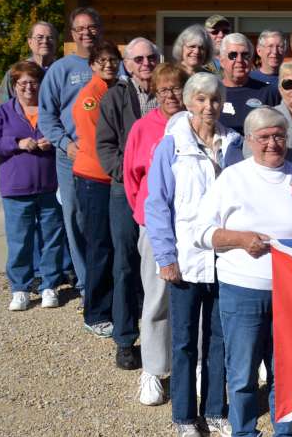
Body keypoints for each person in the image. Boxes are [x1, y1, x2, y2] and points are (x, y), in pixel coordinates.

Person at [194, 106, 292, 437]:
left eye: (279, 136)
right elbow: (200, 233)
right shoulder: (232, 178)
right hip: (242, 289)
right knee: (243, 372)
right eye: (264, 137)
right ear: (248, 140)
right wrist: (240, 239)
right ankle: (244, 431)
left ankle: (283, 431)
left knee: (284, 370)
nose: (272, 143)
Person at [146, 72, 237, 437]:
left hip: (225, 258)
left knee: (220, 338)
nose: (208, 106)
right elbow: (156, 204)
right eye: (200, 99)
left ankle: (215, 410)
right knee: (184, 341)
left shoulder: (233, 143)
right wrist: (166, 256)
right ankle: (185, 417)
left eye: (214, 99)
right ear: (187, 103)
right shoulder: (171, 145)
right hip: (184, 258)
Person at [123, 63, 190, 406]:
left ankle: (191, 369)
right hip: (155, 226)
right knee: (156, 297)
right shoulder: (143, 128)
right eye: (163, 90)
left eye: (176, 88)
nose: (170, 96)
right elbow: (132, 179)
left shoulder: (195, 126)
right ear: (155, 93)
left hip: (191, 227)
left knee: (194, 299)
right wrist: (146, 215)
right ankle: (153, 368)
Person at [95, 37, 160, 370]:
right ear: (128, 63)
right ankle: (124, 338)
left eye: (151, 57)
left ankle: (160, 337)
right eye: (138, 59)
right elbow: (105, 146)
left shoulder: (168, 94)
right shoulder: (115, 97)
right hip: (125, 189)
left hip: (161, 192)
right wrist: (128, 173)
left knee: (160, 264)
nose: (145, 63)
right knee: (125, 264)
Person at [0, 61, 64, 311]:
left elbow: (69, 135)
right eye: (23, 83)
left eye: (34, 82)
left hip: (50, 186)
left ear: (41, 84)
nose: (29, 87)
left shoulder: (52, 110)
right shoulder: (1, 114)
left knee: (52, 239)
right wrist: (16, 143)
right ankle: (20, 288)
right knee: (20, 241)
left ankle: (49, 285)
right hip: (16, 189)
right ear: (14, 86)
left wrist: (54, 140)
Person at [38, 6, 102, 315]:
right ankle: (87, 284)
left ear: (99, 29)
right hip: (72, 157)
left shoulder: (109, 65)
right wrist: (65, 144)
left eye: (91, 27)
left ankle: (109, 282)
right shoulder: (61, 69)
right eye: (80, 28)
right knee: (75, 219)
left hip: (106, 156)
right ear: (72, 33)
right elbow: (47, 117)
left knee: (107, 221)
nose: (86, 33)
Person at [71, 41, 122, 341]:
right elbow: (98, 140)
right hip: (96, 178)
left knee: (117, 247)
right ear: (92, 65)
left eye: (113, 59)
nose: (108, 65)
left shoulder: (119, 90)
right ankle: (96, 313)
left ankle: (115, 305)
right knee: (100, 247)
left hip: (114, 178)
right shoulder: (91, 96)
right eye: (102, 60)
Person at [0, 22, 58, 118]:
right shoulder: (16, 72)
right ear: (30, 42)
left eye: (50, 37)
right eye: (39, 37)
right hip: (22, 128)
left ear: (56, 42)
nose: (45, 41)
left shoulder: (64, 71)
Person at [218, 33, 280, 136]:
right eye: (233, 55)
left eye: (245, 55)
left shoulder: (268, 92)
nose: (239, 60)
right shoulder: (212, 93)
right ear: (222, 61)